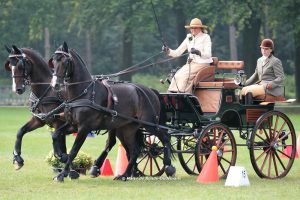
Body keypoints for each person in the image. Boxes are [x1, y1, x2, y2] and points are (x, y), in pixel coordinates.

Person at [162, 18, 213, 93]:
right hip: (191, 64)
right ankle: (171, 96)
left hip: (202, 64)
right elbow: (177, 52)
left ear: (200, 28)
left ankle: (183, 96)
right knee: (176, 76)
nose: (193, 30)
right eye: (191, 28)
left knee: (185, 77)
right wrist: (168, 50)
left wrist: (198, 52)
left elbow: (208, 55)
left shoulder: (205, 37)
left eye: (195, 28)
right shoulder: (189, 37)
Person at [240, 38, 285, 104]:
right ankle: (245, 112)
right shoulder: (259, 60)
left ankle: (250, 111)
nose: (264, 50)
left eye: (266, 49)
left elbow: (281, 77)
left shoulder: (275, 61)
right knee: (243, 90)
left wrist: (271, 84)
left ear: (271, 49)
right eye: (262, 48)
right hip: (260, 86)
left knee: (249, 91)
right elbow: (256, 75)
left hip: (270, 89)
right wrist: (244, 84)